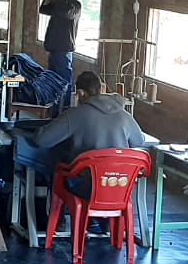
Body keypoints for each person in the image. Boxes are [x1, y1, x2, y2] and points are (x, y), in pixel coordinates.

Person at [34, 70, 144, 198]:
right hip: (120, 185)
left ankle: (54, 209)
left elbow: (42, 140)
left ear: (81, 93)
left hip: (87, 187)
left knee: (55, 164)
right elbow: (139, 142)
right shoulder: (124, 115)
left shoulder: (74, 115)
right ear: (101, 89)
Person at [39, 0, 80, 107]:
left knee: (64, 81)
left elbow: (65, 12)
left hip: (63, 50)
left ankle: (65, 108)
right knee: (53, 80)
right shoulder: (60, 5)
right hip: (55, 49)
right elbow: (43, 9)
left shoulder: (73, 5)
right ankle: (54, 107)